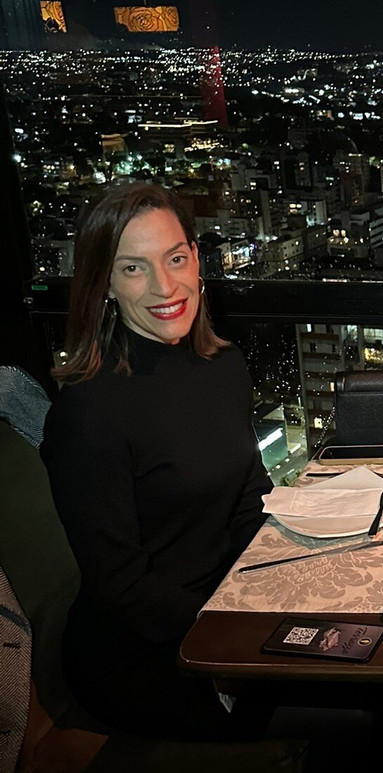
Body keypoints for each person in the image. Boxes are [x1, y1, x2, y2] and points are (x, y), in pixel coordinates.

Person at [40, 183, 271, 740]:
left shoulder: (224, 366)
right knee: (347, 717)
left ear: (196, 258)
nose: (165, 287)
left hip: (224, 610)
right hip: (141, 655)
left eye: (175, 259)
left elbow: (249, 502)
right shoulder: (87, 414)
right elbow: (122, 587)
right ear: (105, 285)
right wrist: (233, 638)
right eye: (133, 269)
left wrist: (288, 586)